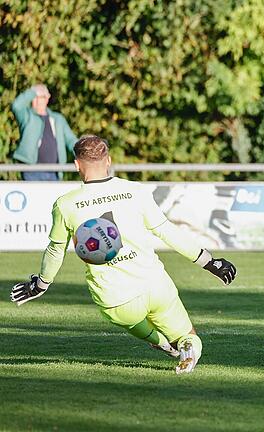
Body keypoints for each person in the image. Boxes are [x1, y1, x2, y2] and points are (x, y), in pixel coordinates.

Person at [10, 135, 237, 374]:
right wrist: (209, 262)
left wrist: (41, 285)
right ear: (108, 160)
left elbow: (55, 249)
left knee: (136, 324)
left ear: (77, 165)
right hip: (155, 285)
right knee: (187, 335)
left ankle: (163, 344)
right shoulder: (135, 191)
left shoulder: (65, 204)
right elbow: (167, 232)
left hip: (116, 298)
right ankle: (187, 347)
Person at [11, 84, 78, 180]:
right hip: (31, 171)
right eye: (34, 97)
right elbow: (16, 106)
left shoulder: (58, 119)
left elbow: (71, 140)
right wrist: (33, 91)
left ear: (47, 99)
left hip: (54, 172)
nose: (36, 100)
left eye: (40, 97)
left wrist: (84, 152)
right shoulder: (27, 116)